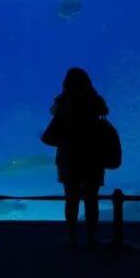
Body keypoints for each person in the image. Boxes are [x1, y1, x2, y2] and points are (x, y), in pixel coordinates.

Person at [41, 67, 109, 247]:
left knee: (71, 200)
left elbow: (48, 135)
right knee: (91, 200)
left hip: (69, 158)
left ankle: (71, 238)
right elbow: (104, 116)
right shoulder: (96, 102)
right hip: (93, 157)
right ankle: (92, 237)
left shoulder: (62, 103)